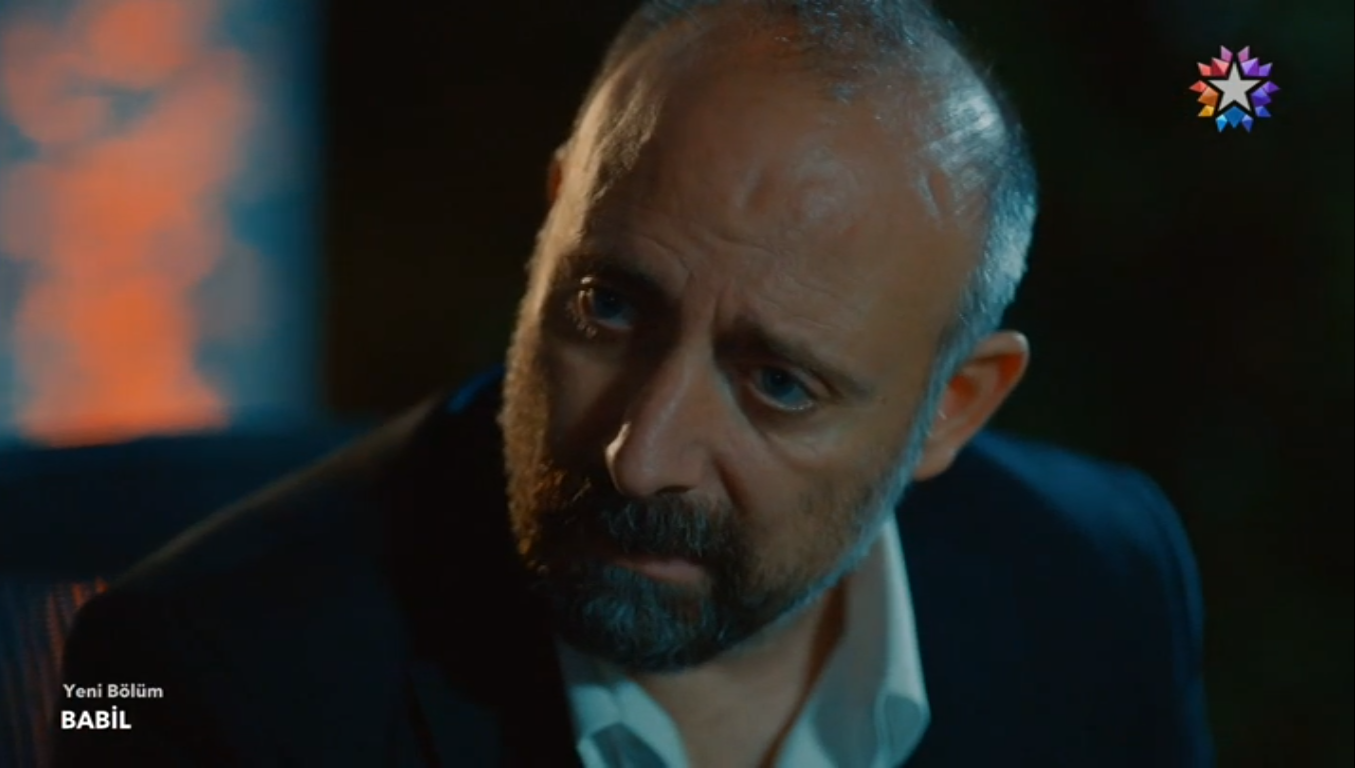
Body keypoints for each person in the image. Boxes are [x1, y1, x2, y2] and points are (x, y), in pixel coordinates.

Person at [52, 0, 1214, 765]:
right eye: (608, 308)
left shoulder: (1102, 573)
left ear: (952, 408)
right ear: (554, 219)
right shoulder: (185, 677)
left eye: (777, 385)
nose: (639, 454)